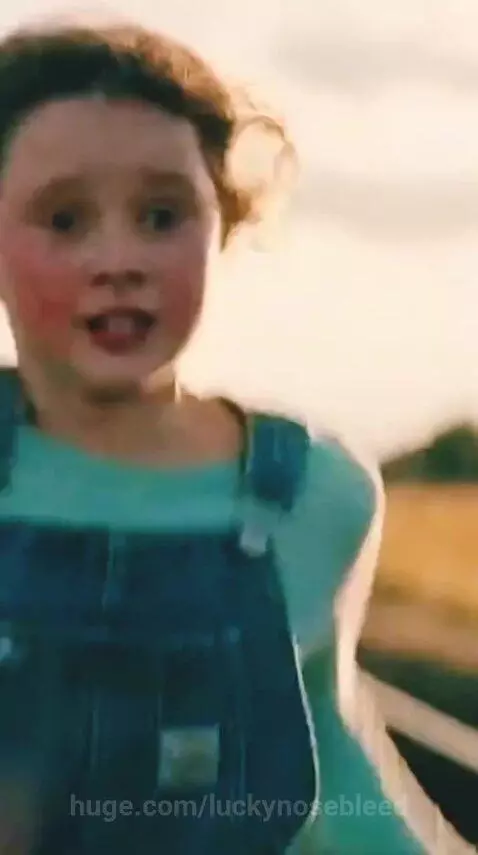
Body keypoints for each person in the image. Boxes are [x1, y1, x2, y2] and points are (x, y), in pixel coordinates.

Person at [0, 19, 472, 855]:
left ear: (224, 225)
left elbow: (327, 747)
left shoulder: (312, 492)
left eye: (161, 214)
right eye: (65, 219)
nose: (120, 257)